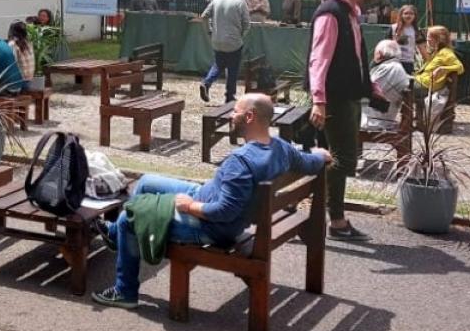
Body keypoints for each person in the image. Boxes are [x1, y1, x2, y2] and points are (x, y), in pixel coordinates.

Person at [91, 94, 331, 308]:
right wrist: (321, 155)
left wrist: (188, 206)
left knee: (128, 219)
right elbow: (310, 162)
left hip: (209, 226)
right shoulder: (281, 147)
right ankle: (115, 237)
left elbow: (223, 212)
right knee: (145, 182)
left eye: (235, 112)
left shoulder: (240, 162)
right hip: (205, 195)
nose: (230, 116)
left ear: (249, 117)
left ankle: (125, 291)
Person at [307, 0, 377, 242]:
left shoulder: (351, 12)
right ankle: (332, 219)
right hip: (333, 97)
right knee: (344, 159)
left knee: (344, 159)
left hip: (347, 95)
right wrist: (319, 100)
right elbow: (318, 60)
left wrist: (368, 86)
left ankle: (327, 215)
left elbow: (357, 56)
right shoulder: (331, 12)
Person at [198, 0, 251, 103]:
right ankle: (229, 95)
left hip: (217, 39)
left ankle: (207, 82)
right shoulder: (240, 3)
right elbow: (247, 24)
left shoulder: (217, 0)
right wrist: (241, 35)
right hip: (234, 41)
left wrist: (209, 31)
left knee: (218, 64)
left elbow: (204, 16)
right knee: (233, 68)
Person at [363, 40, 411, 131]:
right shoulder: (395, 67)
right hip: (383, 117)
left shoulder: (388, 68)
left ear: (379, 54)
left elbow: (369, 92)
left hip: (375, 120)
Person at [414, 25, 464, 110]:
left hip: (425, 85)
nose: (427, 39)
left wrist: (442, 69)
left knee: (397, 87)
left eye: (430, 37)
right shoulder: (436, 51)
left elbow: (460, 67)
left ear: (439, 39)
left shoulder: (446, 52)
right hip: (420, 81)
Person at [7, 20, 35, 85]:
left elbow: (12, 63)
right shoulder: (29, 43)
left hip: (20, 80)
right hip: (30, 77)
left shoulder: (13, 44)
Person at [393, 4, 419, 74]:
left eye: (411, 14)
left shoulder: (416, 30)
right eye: (406, 13)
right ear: (401, 15)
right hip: (394, 62)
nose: (408, 16)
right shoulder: (393, 28)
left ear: (415, 16)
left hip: (408, 63)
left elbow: (422, 48)